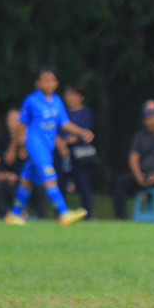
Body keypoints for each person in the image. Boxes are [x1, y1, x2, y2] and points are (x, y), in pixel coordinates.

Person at [5, 67, 94, 226]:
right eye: (45, 79)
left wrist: (82, 132)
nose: (49, 83)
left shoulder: (57, 101)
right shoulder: (31, 101)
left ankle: (13, 214)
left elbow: (65, 124)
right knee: (50, 176)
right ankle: (64, 213)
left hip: (47, 146)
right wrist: (13, 148)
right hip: (34, 144)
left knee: (27, 180)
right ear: (37, 83)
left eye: (52, 80)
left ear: (56, 83)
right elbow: (20, 125)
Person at [60, 84, 96, 218]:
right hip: (63, 153)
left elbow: (85, 133)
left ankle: (88, 214)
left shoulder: (86, 112)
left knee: (83, 184)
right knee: (60, 183)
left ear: (80, 97)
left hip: (80, 155)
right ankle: (61, 212)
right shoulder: (63, 112)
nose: (68, 98)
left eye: (72, 94)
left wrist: (72, 139)